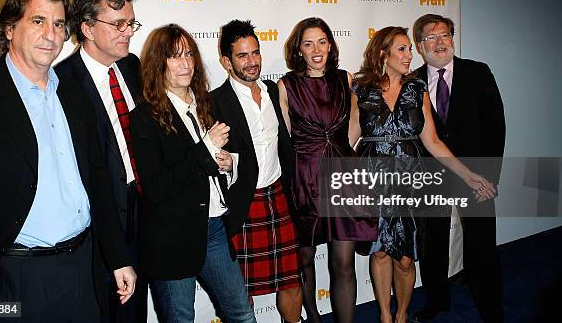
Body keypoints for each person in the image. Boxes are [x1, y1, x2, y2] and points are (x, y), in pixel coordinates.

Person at [0, 0, 136, 320]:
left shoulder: (72, 92)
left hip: (83, 268)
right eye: (38, 21)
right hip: (11, 276)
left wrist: (117, 257)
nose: (51, 34)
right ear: (10, 28)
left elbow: (97, 180)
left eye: (58, 24)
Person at [352, 26, 496, 323]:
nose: (410, 55)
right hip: (373, 178)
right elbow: (348, 138)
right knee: (379, 252)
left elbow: (432, 141)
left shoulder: (418, 89)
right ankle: (384, 316)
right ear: (383, 53)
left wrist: (469, 175)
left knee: (405, 257)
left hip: (410, 177)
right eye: (402, 49)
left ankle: (402, 315)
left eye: (409, 48)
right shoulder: (360, 89)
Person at [130, 24, 256, 323]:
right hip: (172, 237)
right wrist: (206, 147)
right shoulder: (145, 117)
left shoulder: (208, 105)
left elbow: (224, 162)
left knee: (242, 313)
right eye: (174, 56)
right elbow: (157, 188)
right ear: (159, 63)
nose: (185, 63)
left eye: (189, 54)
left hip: (214, 229)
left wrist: (229, 164)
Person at [55, 0, 147, 322]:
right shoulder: (62, 83)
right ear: (87, 28)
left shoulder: (131, 67)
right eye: (118, 24)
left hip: (143, 209)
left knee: (138, 307)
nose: (128, 32)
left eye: (131, 23)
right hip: (101, 216)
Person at [278, 17, 378, 323]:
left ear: (330, 44)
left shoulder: (345, 79)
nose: (316, 49)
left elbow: (353, 126)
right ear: (299, 50)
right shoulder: (287, 85)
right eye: (308, 43)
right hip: (305, 179)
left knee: (343, 262)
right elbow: (286, 139)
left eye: (322, 41)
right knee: (305, 258)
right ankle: (314, 318)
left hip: (342, 177)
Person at [411, 14, 505, 323]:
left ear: (452, 38)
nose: (439, 42)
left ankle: (490, 307)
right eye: (430, 38)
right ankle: (438, 300)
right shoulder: (412, 82)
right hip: (431, 176)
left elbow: (496, 127)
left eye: (444, 35)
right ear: (420, 46)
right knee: (432, 244)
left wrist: (490, 177)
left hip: (476, 175)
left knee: (481, 246)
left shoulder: (478, 73)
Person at [212, 20, 303, 322]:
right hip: (242, 203)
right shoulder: (215, 102)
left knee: (292, 279)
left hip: (278, 196)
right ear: (226, 61)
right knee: (240, 288)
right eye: (242, 55)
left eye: (256, 53)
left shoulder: (273, 92)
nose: (252, 62)